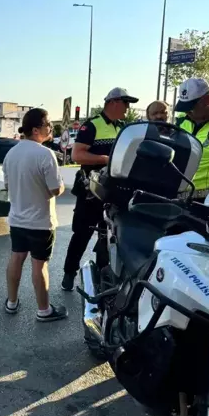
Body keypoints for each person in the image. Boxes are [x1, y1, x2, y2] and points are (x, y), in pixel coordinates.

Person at [61, 88, 139, 291]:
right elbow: (77, 155)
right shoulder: (92, 126)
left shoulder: (123, 128)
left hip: (114, 192)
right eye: (125, 103)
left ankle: (104, 276)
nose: (127, 108)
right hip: (91, 191)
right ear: (113, 102)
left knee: (108, 236)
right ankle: (69, 273)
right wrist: (103, 159)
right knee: (82, 234)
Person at [3, 108, 67, 322]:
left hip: (17, 219)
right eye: (48, 124)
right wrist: (63, 187)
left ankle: (11, 302)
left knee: (16, 258)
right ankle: (44, 310)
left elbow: (7, 185)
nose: (51, 128)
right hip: (40, 222)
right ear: (36, 129)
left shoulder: (11, 154)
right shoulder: (45, 154)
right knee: (39, 265)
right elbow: (55, 189)